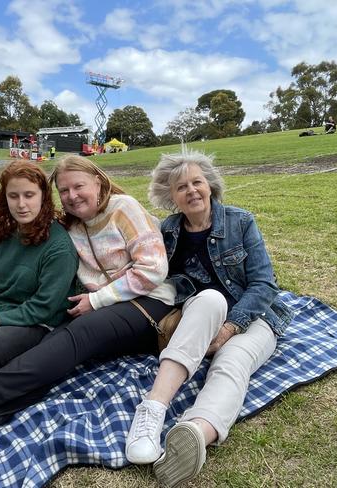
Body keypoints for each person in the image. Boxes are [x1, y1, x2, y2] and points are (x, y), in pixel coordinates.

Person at [0, 154, 176, 459]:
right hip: (83, 309)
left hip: (132, 305)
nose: (71, 196)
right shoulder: (69, 224)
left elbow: (152, 269)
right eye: (64, 191)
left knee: (52, 349)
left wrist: (94, 299)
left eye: (77, 186)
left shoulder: (114, 211)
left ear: (97, 180)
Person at [125, 150, 293, 487]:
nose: (191, 191)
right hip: (203, 313)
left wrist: (232, 327)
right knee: (211, 298)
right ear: (170, 196)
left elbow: (264, 284)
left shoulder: (240, 221)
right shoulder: (168, 230)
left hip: (253, 315)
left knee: (233, 362)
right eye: (181, 187)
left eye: (197, 182)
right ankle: (152, 410)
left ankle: (194, 434)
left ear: (210, 186)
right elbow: (156, 275)